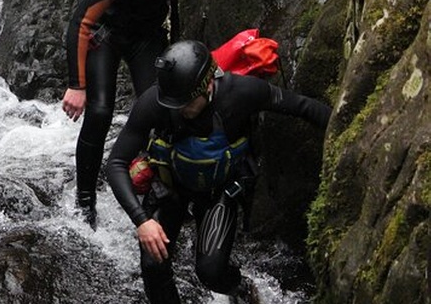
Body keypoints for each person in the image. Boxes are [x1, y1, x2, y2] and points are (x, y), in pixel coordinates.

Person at [105, 40, 332, 303]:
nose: (181, 110)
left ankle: (244, 290)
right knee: (153, 264)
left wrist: (346, 129)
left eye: (187, 103)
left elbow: (302, 106)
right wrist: (142, 220)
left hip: (218, 191)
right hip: (171, 187)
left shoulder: (240, 93)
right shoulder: (155, 103)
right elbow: (116, 163)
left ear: (209, 85)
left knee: (210, 272)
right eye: (174, 104)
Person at [62, 0, 231, 227]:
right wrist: (76, 84)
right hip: (106, 36)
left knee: (164, 108)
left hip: (146, 36)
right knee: (99, 112)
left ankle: (161, 182)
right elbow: (81, 22)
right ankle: (85, 201)